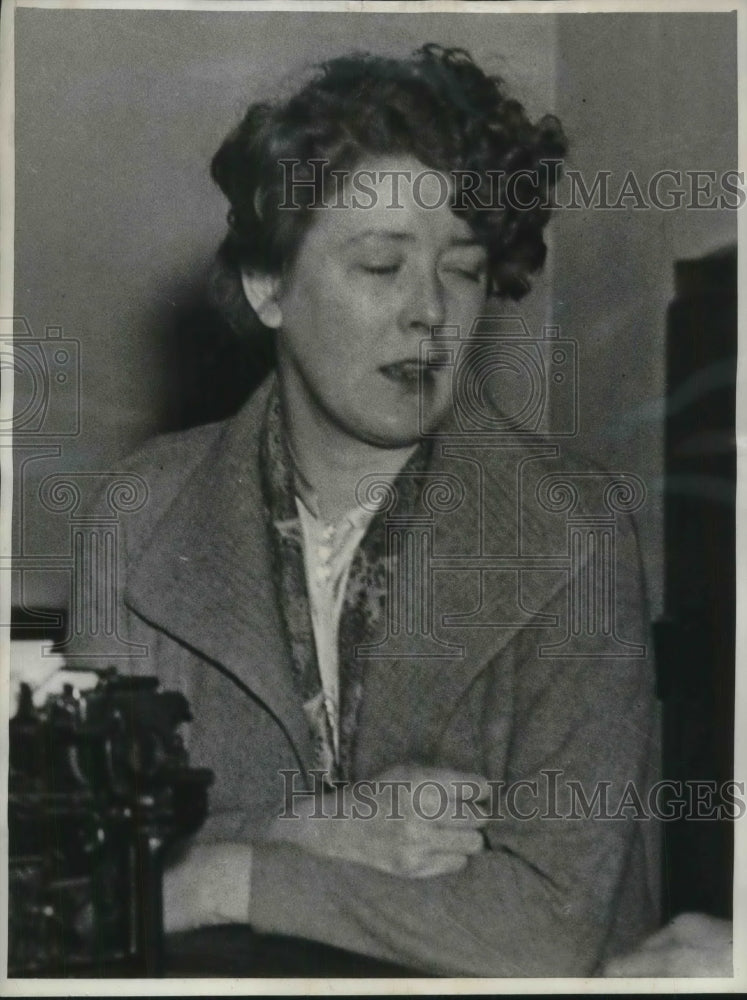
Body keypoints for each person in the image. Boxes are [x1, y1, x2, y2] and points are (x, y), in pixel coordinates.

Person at [84, 45, 660, 975]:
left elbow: (546, 926)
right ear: (268, 284)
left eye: (463, 270)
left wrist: (221, 876)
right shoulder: (137, 512)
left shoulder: (575, 527)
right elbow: (80, 868)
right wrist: (312, 830)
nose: (430, 313)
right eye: (382, 265)